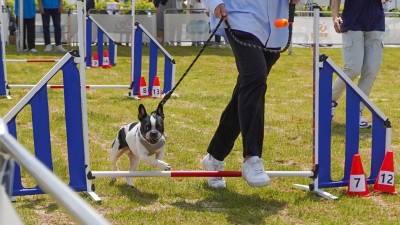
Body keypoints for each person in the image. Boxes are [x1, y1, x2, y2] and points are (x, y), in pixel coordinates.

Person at [201, 0, 300, 188]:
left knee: (248, 89)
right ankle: (252, 158)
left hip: (275, 25)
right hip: (240, 16)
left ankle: (215, 156)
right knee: (255, 78)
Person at [331, 0, 386, 128]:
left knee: (371, 70)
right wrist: (335, 16)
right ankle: (329, 101)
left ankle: (356, 112)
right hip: (352, 22)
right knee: (353, 68)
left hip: (375, 23)